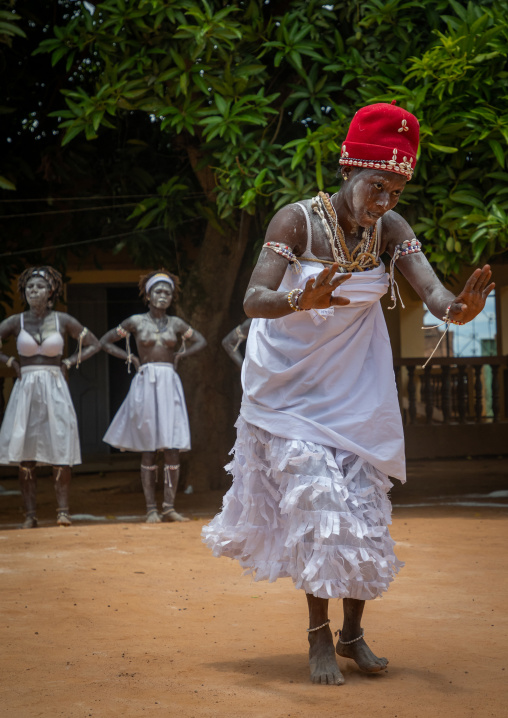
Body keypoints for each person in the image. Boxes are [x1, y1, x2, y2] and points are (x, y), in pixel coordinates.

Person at [202, 102, 494, 685]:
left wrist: (460, 309)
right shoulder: (295, 221)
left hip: (357, 385)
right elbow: (253, 299)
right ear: (348, 172)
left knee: (361, 510)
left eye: (395, 192)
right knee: (320, 509)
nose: (383, 203)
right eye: (376, 188)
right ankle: (317, 635)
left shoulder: (392, 230)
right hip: (291, 387)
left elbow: (434, 294)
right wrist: (299, 300)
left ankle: (352, 633)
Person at [100, 269, 206, 523]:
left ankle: (169, 506)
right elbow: (105, 340)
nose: (163, 296)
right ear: (148, 295)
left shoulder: (177, 324)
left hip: (169, 382)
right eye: (158, 291)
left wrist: (180, 355)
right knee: (149, 447)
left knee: (171, 446)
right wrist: (131, 357)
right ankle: (151, 508)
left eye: (167, 292)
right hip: (147, 381)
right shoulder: (135, 322)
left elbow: (200, 340)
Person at [0, 266, 100, 528]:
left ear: (51, 291)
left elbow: (93, 343)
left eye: (40, 286)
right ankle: (30, 515)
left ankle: (63, 511)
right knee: (26, 451)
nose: (34, 291)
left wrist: (68, 361)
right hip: (26, 388)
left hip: (55, 386)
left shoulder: (62, 320)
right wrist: (11, 361)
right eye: (30, 287)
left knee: (60, 445)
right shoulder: (15, 321)